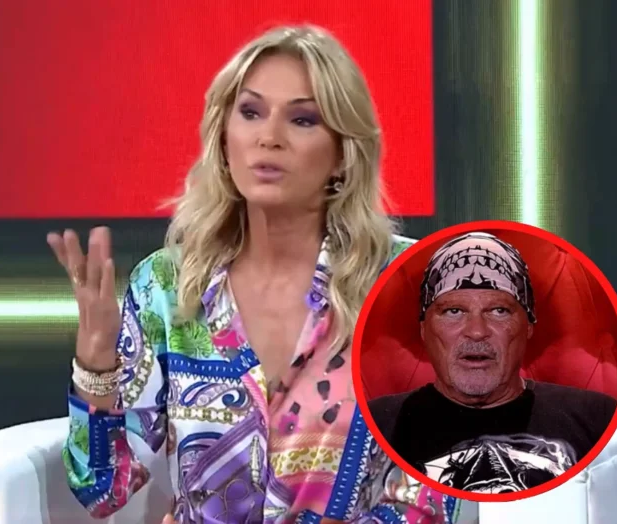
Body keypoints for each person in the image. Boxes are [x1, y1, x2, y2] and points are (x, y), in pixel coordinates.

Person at [47, 25, 463, 523]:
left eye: (302, 119)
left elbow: (431, 497)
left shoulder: (408, 285)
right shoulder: (165, 287)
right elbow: (102, 491)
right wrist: (95, 366)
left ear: (342, 154)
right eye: (250, 112)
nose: (269, 138)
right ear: (224, 139)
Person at [368, 232, 617, 494]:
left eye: (499, 311)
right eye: (454, 311)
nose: (476, 331)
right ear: (424, 329)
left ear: (528, 326)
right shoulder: (375, 424)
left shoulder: (597, 418)